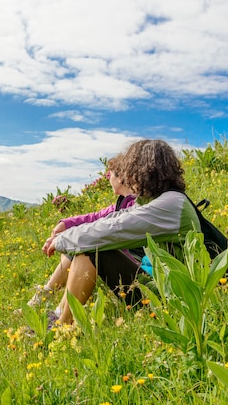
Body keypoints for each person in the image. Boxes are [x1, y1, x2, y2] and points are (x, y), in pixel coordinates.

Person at [43, 139, 200, 325]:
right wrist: (66, 235)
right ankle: (58, 316)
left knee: (90, 250)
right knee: (87, 245)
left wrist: (61, 241)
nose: (129, 178)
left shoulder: (170, 204)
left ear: (143, 171)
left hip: (169, 298)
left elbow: (113, 229)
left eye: (131, 171)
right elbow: (111, 219)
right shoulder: (159, 200)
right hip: (156, 286)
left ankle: (61, 327)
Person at [27, 156, 138, 313]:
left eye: (110, 174)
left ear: (121, 178)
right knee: (78, 243)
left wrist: (65, 238)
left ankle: (57, 308)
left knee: (85, 247)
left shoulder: (136, 206)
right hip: (126, 267)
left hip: (137, 273)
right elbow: (93, 218)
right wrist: (64, 224)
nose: (108, 178)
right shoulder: (121, 204)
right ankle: (49, 296)